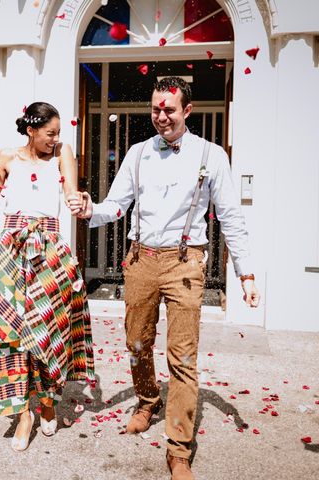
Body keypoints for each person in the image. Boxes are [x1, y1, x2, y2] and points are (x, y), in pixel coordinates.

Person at [77, 77, 260, 480]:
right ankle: (147, 400)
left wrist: (245, 273)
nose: (161, 116)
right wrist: (92, 211)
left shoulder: (211, 156)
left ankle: (178, 449)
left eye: (169, 109)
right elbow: (116, 205)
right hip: (140, 258)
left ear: (187, 110)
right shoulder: (138, 153)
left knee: (182, 357)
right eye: (156, 109)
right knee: (137, 341)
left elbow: (230, 217)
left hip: (185, 262)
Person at [0, 102, 94, 452]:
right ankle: (22, 412)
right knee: (11, 332)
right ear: (31, 130)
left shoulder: (63, 154)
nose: (55, 138)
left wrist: (80, 202)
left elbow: (71, 195)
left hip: (48, 249)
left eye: (58, 133)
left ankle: (46, 400)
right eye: (50, 133)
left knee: (48, 325)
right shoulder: (7, 157)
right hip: (10, 251)